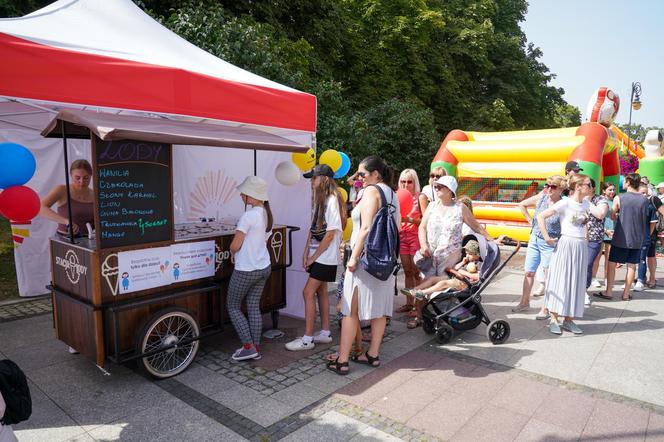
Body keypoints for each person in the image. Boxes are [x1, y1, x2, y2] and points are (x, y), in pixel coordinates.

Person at [327, 155, 399, 375]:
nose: (358, 178)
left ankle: (342, 360)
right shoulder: (392, 193)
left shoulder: (370, 192)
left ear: (375, 174)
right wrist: (358, 178)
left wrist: (353, 258)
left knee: (350, 311)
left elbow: (365, 228)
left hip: (365, 260)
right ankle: (373, 354)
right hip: (385, 261)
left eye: (362, 174)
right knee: (379, 311)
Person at [407, 176, 493, 328]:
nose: (437, 188)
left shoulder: (460, 208)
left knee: (443, 291)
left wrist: (492, 241)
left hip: (450, 259)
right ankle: (420, 317)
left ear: (450, 190)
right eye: (436, 186)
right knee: (425, 283)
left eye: (440, 186)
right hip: (430, 255)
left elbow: (476, 227)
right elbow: (422, 227)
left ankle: (444, 318)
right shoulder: (432, 206)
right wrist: (423, 245)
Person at [286, 164, 345, 351]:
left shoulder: (333, 200)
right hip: (318, 255)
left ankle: (307, 339)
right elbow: (313, 230)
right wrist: (306, 253)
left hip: (325, 257)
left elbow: (330, 234)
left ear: (324, 180)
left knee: (307, 292)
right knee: (320, 291)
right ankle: (325, 333)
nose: (311, 182)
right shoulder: (322, 200)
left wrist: (313, 257)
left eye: (314, 178)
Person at [538, 174, 601, 335]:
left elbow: (595, 217)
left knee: (576, 282)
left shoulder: (586, 203)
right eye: (588, 184)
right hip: (566, 244)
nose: (591, 187)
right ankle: (553, 318)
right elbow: (541, 216)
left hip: (580, 246)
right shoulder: (565, 202)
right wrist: (547, 238)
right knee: (561, 279)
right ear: (578, 186)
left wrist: (585, 238)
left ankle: (568, 319)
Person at [227, 176, 273, 361]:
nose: (241, 195)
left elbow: (235, 245)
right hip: (264, 266)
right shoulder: (266, 213)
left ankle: (248, 347)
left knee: (232, 306)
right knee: (253, 307)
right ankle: (255, 347)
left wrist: (231, 251)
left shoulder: (248, 216)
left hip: (246, 269)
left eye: (243, 192)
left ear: (251, 196)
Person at [512, 176, 565, 314]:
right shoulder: (542, 197)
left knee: (549, 276)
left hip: (550, 243)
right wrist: (530, 220)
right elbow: (521, 204)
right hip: (535, 239)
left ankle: (546, 308)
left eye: (552, 186)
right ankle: (524, 302)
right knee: (529, 272)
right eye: (546, 185)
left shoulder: (563, 204)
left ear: (561, 189)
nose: (548, 188)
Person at [599, 173, 650, 301]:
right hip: (637, 237)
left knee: (612, 263)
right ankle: (626, 293)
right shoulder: (644, 199)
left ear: (627, 182)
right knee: (632, 265)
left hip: (621, 236)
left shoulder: (619, 197)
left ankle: (609, 291)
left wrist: (617, 214)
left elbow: (612, 214)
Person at [401, 239, 481, 301]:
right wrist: (462, 263)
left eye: (470, 254)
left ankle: (422, 293)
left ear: (477, 255)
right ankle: (414, 289)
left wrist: (463, 272)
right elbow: (454, 268)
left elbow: (477, 276)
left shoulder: (478, 264)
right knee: (432, 279)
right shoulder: (466, 262)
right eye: (466, 253)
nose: (467, 255)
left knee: (443, 283)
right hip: (455, 278)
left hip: (465, 284)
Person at [396, 169, 428, 316]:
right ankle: (409, 303)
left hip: (415, 236)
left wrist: (410, 220)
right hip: (402, 236)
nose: (406, 184)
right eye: (403, 181)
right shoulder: (397, 196)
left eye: (409, 181)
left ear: (415, 182)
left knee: (417, 273)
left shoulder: (420, 197)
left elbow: (426, 221)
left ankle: (419, 305)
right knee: (407, 271)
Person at [40, 159, 94, 236]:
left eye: (86, 178)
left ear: (91, 176)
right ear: (71, 175)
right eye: (77, 178)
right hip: (64, 240)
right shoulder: (62, 190)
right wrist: (66, 221)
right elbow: (41, 207)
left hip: (89, 241)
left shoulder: (95, 195)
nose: (81, 182)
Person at [583, 179, 609, 305]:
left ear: (593, 188)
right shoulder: (576, 199)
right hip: (578, 237)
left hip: (594, 238)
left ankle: (583, 290)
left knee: (587, 264)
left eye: (588, 186)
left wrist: (586, 202)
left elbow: (600, 214)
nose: (585, 188)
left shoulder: (600, 200)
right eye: (582, 185)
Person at [591, 182, 616, 287]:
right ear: (604, 191)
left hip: (612, 232)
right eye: (610, 189)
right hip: (601, 231)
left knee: (609, 257)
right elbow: (597, 217)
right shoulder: (600, 201)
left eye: (613, 189)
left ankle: (607, 278)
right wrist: (605, 230)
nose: (612, 192)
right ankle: (593, 278)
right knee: (597, 256)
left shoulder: (615, 201)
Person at [635, 184, 659, 291]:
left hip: (646, 237)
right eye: (642, 192)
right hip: (635, 237)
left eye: (645, 192)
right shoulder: (634, 205)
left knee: (643, 259)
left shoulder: (650, 206)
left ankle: (641, 280)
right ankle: (637, 278)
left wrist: (648, 234)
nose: (644, 195)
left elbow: (653, 224)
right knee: (634, 259)